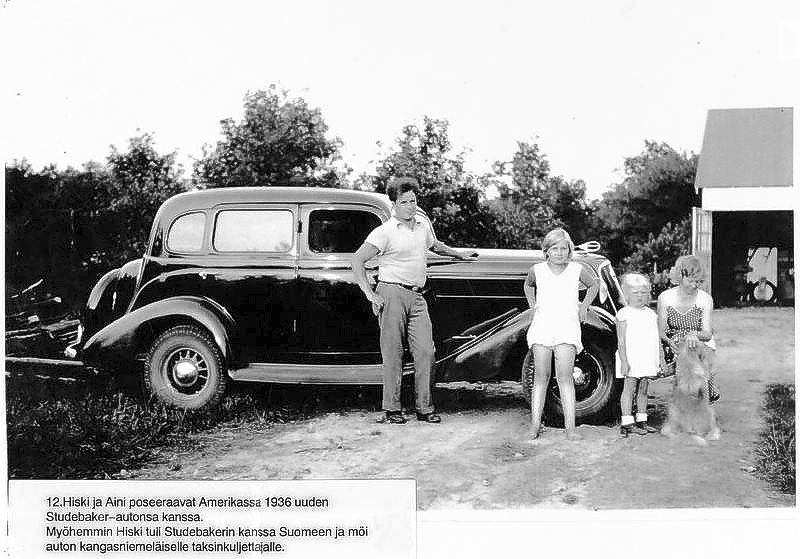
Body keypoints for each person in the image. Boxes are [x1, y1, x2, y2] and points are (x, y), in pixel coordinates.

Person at [351, 177, 477, 425]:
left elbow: (436, 246)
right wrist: (370, 293)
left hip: (417, 295)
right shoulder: (384, 232)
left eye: (413, 201)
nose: (410, 206)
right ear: (394, 204)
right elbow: (357, 260)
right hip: (391, 294)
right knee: (393, 353)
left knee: (426, 352)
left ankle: (424, 408)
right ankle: (392, 409)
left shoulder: (421, 226)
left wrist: (459, 254)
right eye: (404, 202)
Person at [524, 227, 601, 441]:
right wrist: (532, 306)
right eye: (554, 248)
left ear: (570, 251)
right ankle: (534, 426)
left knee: (565, 377)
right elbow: (528, 286)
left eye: (564, 249)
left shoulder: (576, 270)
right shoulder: (537, 270)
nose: (559, 253)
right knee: (541, 377)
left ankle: (570, 428)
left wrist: (584, 306)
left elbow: (594, 285)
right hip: (542, 326)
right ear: (546, 250)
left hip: (566, 327)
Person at [657, 255, 718, 403]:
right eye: (690, 281)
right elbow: (661, 330)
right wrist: (669, 341)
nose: (694, 285)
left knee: (704, 360)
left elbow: (707, 333)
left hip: (699, 338)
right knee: (684, 364)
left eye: (698, 281)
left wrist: (693, 334)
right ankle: (682, 401)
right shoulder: (665, 297)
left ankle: (704, 400)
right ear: (680, 277)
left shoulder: (705, 299)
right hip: (673, 340)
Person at [615, 273, 667, 436]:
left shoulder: (651, 314)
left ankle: (642, 420)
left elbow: (656, 338)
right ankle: (627, 422)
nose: (639, 296)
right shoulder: (623, 314)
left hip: (646, 357)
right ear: (627, 295)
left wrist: (661, 359)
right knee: (629, 389)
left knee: (644, 388)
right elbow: (621, 340)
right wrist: (624, 361)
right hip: (631, 358)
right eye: (635, 293)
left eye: (643, 292)